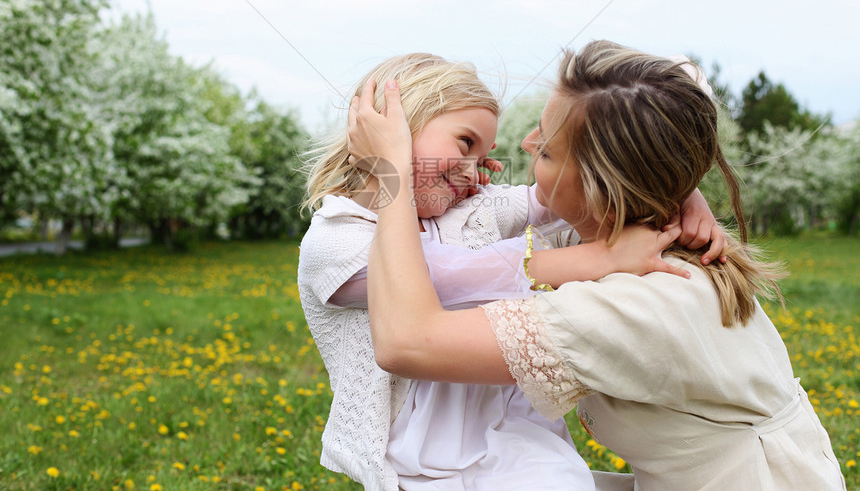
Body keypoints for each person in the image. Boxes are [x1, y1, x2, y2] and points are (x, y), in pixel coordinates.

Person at [348, 40, 847, 491]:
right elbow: (678, 79)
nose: (524, 147)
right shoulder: (612, 236)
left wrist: (390, 170)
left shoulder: (641, 299)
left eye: (544, 150)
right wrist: (679, 184)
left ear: (598, 190)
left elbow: (407, 341)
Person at [298, 52, 725, 491]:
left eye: (483, 159)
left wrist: (684, 191)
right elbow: (440, 274)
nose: (474, 173)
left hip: (520, 442)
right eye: (465, 144)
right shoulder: (335, 239)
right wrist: (600, 259)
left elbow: (572, 187)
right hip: (419, 462)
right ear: (394, 128)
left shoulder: (471, 209)